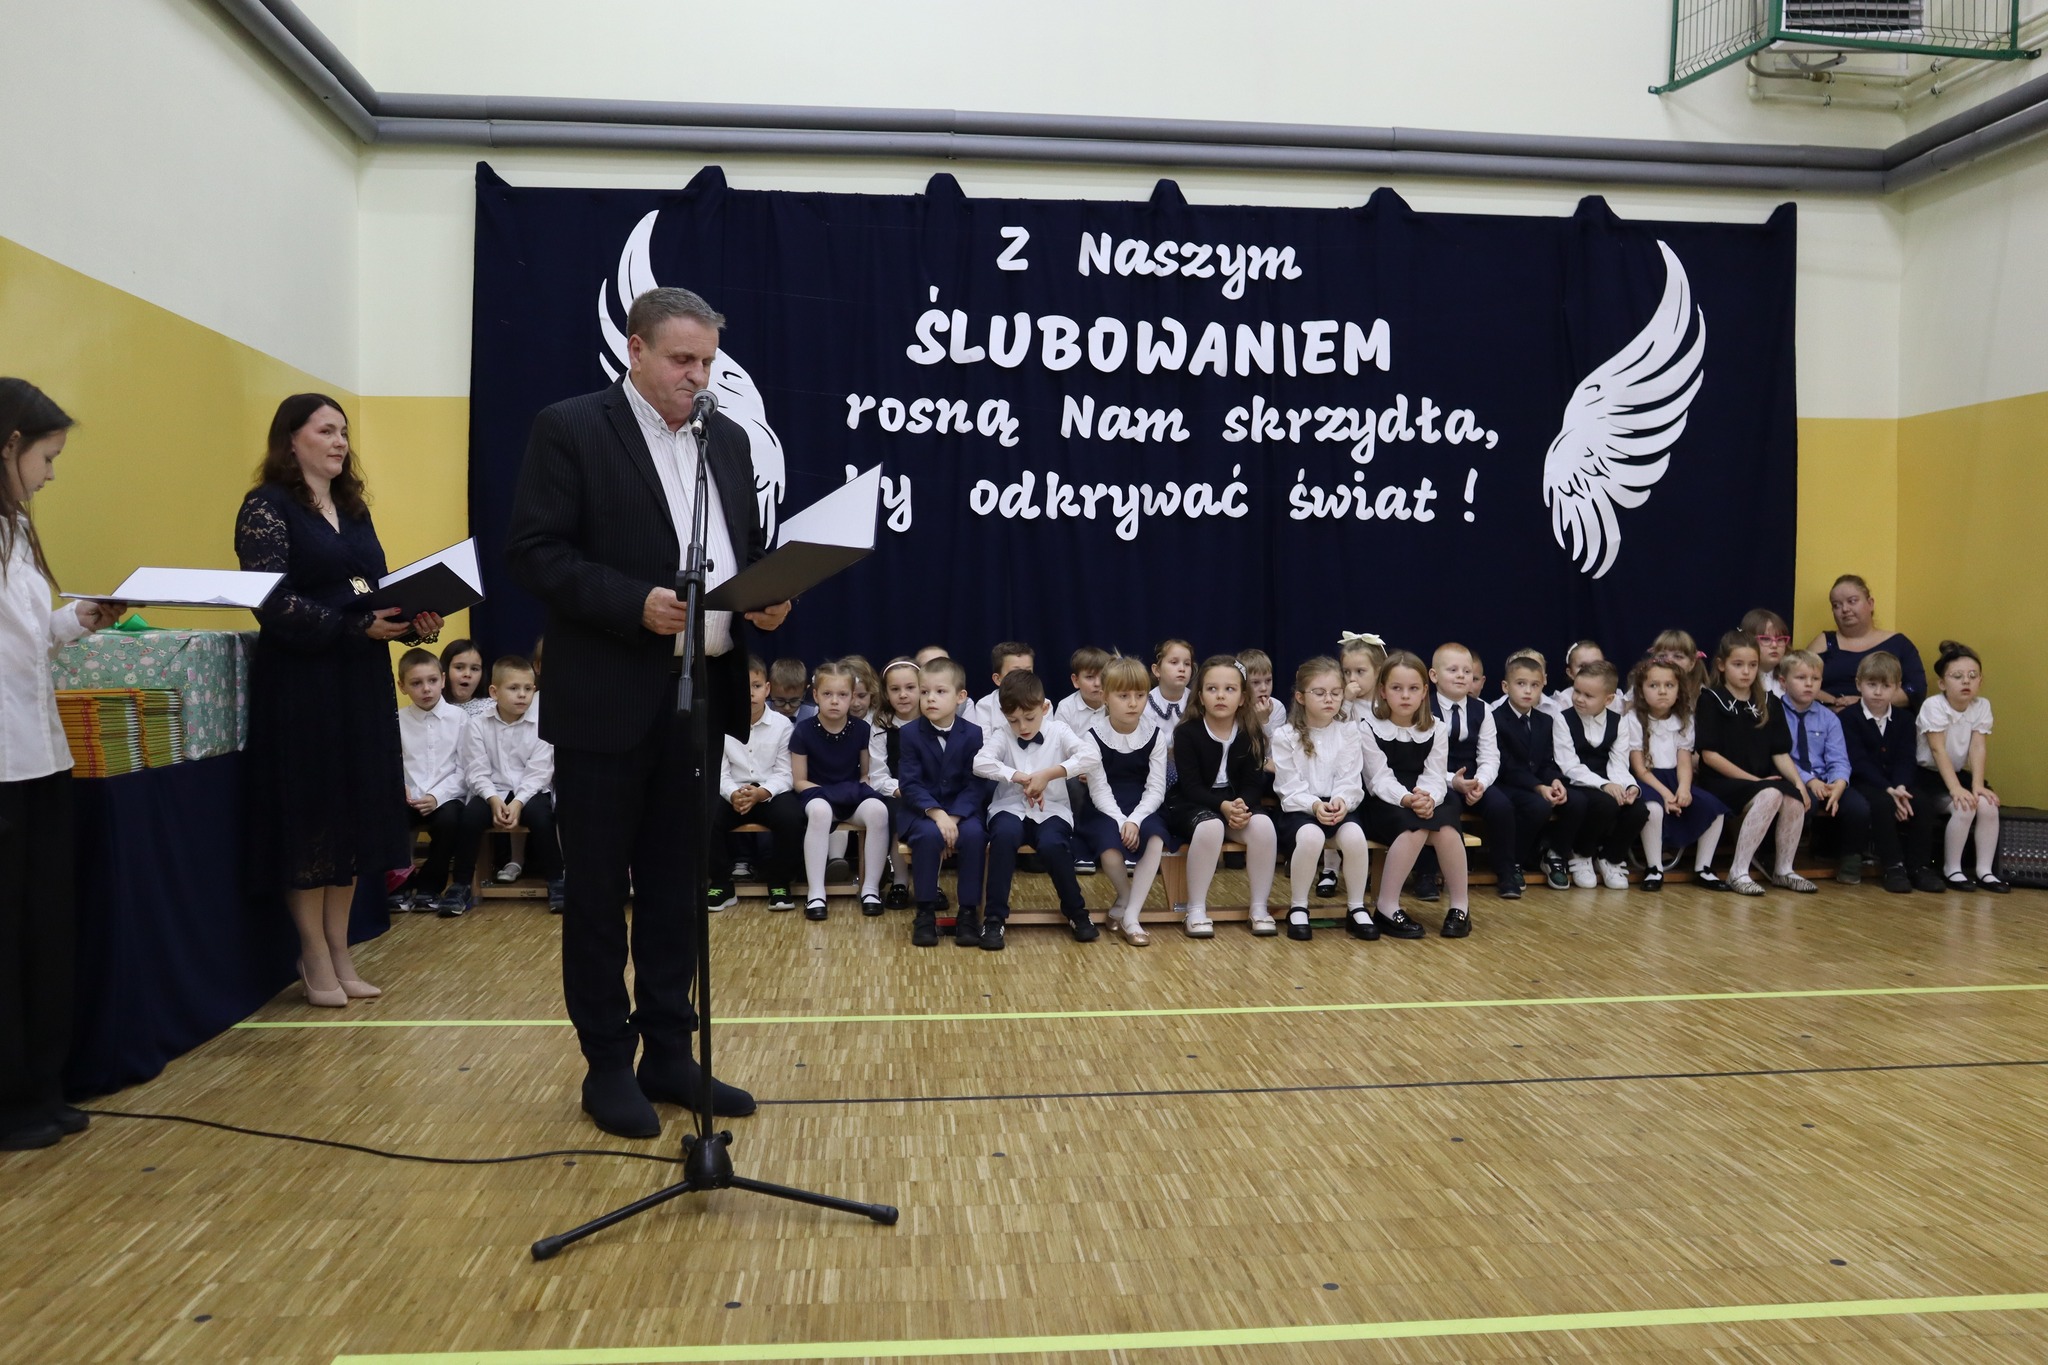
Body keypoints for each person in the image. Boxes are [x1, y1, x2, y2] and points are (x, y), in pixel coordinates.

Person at [505, 285, 790, 1139]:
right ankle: (606, 1062)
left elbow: (741, 551)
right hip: (605, 699)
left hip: (697, 701)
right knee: (598, 890)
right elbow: (534, 552)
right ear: (635, 350)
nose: (697, 376)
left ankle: (670, 1049)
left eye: (707, 362)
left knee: (677, 889)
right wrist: (632, 603)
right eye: (681, 359)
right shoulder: (571, 427)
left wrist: (766, 597)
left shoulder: (726, 439)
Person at [236, 393, 441, 1008]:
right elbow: (270, 600)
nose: (339, 442)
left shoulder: (352, 510)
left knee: (352, 815)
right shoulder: (267, 506)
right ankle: (313, 952)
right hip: (303, 684)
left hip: (359, 678)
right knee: (313, 818)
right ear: (290, 439)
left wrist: (410, 620)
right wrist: (355, 626)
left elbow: (366, 587)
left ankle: (341, 946)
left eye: (344, 432)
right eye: (326, 430)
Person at [0, 379, 127, 1150]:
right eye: (46, 457)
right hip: (3, 764)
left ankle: (39, 1086)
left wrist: (75, 620)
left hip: (41, 756)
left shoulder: (15, 530)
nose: (51, 474)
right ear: (10, 445)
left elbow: (22, 639)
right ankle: (10, 1098)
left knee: (44, 928)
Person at [973, 670, 1095, 948]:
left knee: (1053, 845)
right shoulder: (1003, 734)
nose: (1022, 727)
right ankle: (994, 919)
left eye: (1029, 718)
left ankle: (1077, 913)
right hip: (1009, 808)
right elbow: (979, 763)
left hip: (1051, 810)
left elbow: (1090, 756)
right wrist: (1018, 777)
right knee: (1003, 838)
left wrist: (1048, 775)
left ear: (1045, 707)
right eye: (1013, 720)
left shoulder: (1058, 731)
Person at [1361, 650, 1473, 939]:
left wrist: (1428, 797)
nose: (1405, 696)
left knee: (1447, 829)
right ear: (1383, 691)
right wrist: (1408, 799)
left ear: (1424, 692)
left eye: (1413, 689)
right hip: (1387, 799)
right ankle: (1386, 907)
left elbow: (1435, 774)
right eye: (1397, 688)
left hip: (1427, 795)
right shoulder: (1368, 727)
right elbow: (1378, 778)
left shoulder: (1437, 728)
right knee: (1415, 828)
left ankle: (1460, 907)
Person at [1165, 656, 1278, 938]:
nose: (1220, 695)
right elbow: (1191, 787)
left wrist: (1240, 805)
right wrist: (1223, 806)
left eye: (1230, 689)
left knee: (1264, 826)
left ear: (1242, 698)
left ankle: (1259, 908)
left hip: (1235, 802)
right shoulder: (1187, 733)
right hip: (1192, 803)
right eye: (1212, 689)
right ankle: (1195, 909)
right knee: (1211, 826)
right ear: (1200, 696)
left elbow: (1253, 783)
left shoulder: (1251, 732)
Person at [1696, 631, 1811, 897]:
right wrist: (1755, 782)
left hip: (1759, 782)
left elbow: (1780, 752)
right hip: (1721, 783)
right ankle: (1738, 871)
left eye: (1752, 665)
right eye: (1738, 665)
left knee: (1793, 798)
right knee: (1771, 794)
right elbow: (1710, 756)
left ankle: (1784, 870)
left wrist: (1798, 784)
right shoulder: (1711, 699)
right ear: (1722, 665)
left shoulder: (1770, 702)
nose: (1746, 672)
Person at [1072, 654, 1174, 946]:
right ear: (1105, 697)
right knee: (1110, 847)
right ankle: (1126, 898)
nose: (1133, 703)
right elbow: (1099, 790)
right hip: (1104, 806)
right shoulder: (1092, 737)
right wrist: (1121, 821)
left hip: (1143, 804)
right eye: (1124, 696)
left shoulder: (1155, 736)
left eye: (1140, 695)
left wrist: (1136, 820)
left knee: (1155, 836)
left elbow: (1156, 788)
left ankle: (1130, 916)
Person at [1270, 656, 1373, 942]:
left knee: (1355, 837)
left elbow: (1351, 778)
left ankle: (1356, 907)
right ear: (1301, 697)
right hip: (1300, 808)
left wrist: (1342, 801)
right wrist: (1314, 805)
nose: (1329, 699)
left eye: (1336, 693)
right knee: (1311, 837)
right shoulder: (1285, 736)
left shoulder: (1349, 731)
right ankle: (1298, 907)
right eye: (1320, 693)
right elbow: (1288, 787)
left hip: (1338, 806)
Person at [897, 656, 992, 947]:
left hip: (962, 812)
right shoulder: (909, 733)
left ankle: (968, 913)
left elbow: (976, 783)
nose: (930, 699)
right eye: (924, 692)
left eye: (940, 692)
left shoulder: (973, 734)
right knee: (927, 836)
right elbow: (910, 784)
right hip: (923, 812)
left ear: (960, 697)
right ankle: (925, 912)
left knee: (974, 835)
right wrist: (938, 815)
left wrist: (955, 817)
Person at [453, 655, 560, 913]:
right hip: (492, 791)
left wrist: (519, 802)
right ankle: (460, 885)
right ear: (494, 692)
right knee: (469, 818)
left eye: (528, 689)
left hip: (530, 792)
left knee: (542, 818)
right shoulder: (477, 725)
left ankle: (556, 881)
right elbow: (476, 770)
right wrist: (493, 799)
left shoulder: (542, 725)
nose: (522, 695)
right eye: (514, 688)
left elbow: (539, 772)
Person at [790, 660, 890, 920]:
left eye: (842, 695)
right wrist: (829, 793)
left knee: (879, 811)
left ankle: (870, 890)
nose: (835, 701)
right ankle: (816, 893)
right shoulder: (803, 731)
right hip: (818, 794)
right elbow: (799, 781)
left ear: (852, 696)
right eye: (827, 694)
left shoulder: (862, 729)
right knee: (820, 813)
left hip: (852, 794)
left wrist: (853, 790)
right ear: (815, 695)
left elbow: (866, 775)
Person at [1619, 658, 1728, 892]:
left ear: (1679, 690)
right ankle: (1654, 868)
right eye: (1654, 685)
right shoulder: (1633, 719)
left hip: (1675, 779)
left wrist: (1684, 789)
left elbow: (1684, 762)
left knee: (1714, 807)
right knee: (1654, 808)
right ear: (1641, 691)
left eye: (1669, 685)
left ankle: (1703, 868)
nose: (1662, 691)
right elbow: (1639, 768)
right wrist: (1666, 794)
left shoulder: (1683, 720)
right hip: (1647, 781)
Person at [1422, 643, 1518, 899]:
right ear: (1434, 676)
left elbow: (1490, 755)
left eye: (1467, 671)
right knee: (1442, 806)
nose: (1461, 676)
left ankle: (1506, 872)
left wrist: (1481, 783)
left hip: (1473, 780)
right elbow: (1422, 759)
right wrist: (1451, 782)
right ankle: (1426, 874)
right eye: (1453, 670)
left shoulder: (1483, 709)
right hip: (1437, 779)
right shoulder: (1424, 708)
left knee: (1501, 806)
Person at [709, 657, 803, 913]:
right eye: (743, 686)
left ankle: (779, 883)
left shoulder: (782, 725)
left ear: (767, 689)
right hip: (734, 794)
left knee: (792, 818)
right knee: (705, 815)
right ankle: (721, 883)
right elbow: (719, 772)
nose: (750, 693)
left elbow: (785, 773)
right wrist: (733, 794)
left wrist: (762, 792)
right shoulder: (719, 724)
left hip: (769, 793)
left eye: (757, 686)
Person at [1839, 651, 1933, 895]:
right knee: (1882, 804)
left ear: (1897, 687)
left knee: (1922, 802)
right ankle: (1893, 866)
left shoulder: (1904, 719)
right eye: (1871, 684)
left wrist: (1900, 787)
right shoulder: (1849, 718)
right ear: (1859, 684)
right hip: (1864, 782)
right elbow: (1857, 760)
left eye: (1885, 686)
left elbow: (1906, 758)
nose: (1878, 692)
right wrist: (1888, 789)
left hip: (1896, 783)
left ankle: (1919, 866)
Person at [1916, 640, 2007, 892]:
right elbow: (1938, 749)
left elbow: (1978, 747)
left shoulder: (1981, 706)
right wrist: (1955, 789)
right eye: (1957, 676)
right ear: (1942, 684)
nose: (1966, 681)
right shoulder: (1934, 706)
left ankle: (1985, 871)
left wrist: (1977, 784)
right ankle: (1952, 869)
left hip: (1957, 774)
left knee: (1988, 805)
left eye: (1972, 676)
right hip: (1928, 776)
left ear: (1980, 681)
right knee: (1964, 807)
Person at [1551, 660, 1648, 891]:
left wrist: (1629, 786)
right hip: (1576, 782)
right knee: (1605, 804)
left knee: (1639, 810)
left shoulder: (1619, 723)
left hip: (1607, 781)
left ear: (1608, 699)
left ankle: (1611, 858)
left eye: (1588, 695)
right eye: (1576, 691)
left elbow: (1619, 763)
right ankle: (1582, 853)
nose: (1579, 698)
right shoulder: (1563, 719)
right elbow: (1568, 765)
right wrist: (1605, 785)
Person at [1492, 649, 1583, 890]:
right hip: (1507, 784)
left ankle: (1554, 854)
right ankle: (1514, 861)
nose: (1528, 691)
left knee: (1576, 801)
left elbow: (1545, 762)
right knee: (1538, 806)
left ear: (1542, 686)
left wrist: (1555, 781)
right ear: (1505, 686)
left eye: (1534, 685)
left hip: (1537, 783)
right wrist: (1538, 787)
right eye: (1521, 684)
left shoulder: (1545, 721)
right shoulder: (1495, 718)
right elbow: (1505, 765)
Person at [395, 648, 477, 912]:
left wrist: (436, 796)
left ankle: (429, 888)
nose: (426, 689)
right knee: (390, 818)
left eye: (432, 681)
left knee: (449, 821)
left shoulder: (460, 719)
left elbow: (466, 768)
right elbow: (392, 764)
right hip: (408, 795)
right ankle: (399, 886)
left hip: (446, 796)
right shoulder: (397, 720)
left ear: (442, 680)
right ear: (402, 686)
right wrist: (402, 789)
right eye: (416, 683)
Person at [1779, 649, 1863, 883]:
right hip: (1792, 777)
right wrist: (1809, 781)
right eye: (1801, 678)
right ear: (1783, 682)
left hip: (1825, 780)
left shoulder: (1829, 718)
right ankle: (1785, 860)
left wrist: (1839, 783)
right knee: (1807, 802)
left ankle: (1849, 861)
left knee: (1857, 806)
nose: (1809, 684)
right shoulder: (1775, 713)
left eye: (1815, 679)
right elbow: (1779, 756)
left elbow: (1839, 757)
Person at [1811, 574, 1926, 714]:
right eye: (1836, 605)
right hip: (1830, 720)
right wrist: (1833, 703)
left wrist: (1865, 703)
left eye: (1852, 601)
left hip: (1885, 722)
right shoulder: (1823, 642)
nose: (1845, 609)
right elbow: (1796, 682)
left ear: (1870, 604)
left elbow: (1915, 689)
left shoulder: (1899, 644)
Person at [868, 657, 923, 909]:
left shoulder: (933, 721)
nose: (903, 695)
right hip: (896, 793)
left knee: (930, 819)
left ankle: (930, 882)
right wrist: (901, 790)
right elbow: (878, 776)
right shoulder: (881, 725)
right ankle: (900, 881)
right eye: (895, 689)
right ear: (885, 693)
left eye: (910, 688)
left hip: (929, 793)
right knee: (895, 816)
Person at [972, 641, 1035, 733]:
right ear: (997, 679)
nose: (1023, 678)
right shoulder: (985, 706)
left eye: (1028, 672)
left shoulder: (1043, 704)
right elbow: (985, 740)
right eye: (1015, 673)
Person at [1545, 639, 1616, 716]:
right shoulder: (1562, 703)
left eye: (1596, 664)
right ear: (1570, 673)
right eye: (1583, 666)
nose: (1590, 670)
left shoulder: (1617, 700)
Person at [1740, 609, 1793, 698]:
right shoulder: (1740, 680)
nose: (1774, 645)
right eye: (1765, 639)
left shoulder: (1792, 677)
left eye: (1780, 639)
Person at [440, 638, 491, 715]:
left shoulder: (492, 709)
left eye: (474, 669)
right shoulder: (433, 707)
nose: (467, 674)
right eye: (459, 667)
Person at [768, 657, 814, 723]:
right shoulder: (762, 711)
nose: (787, 708)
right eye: (780, 701)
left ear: (805, 692)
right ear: (768, 689)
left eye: (794, 701)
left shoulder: (813, 713)